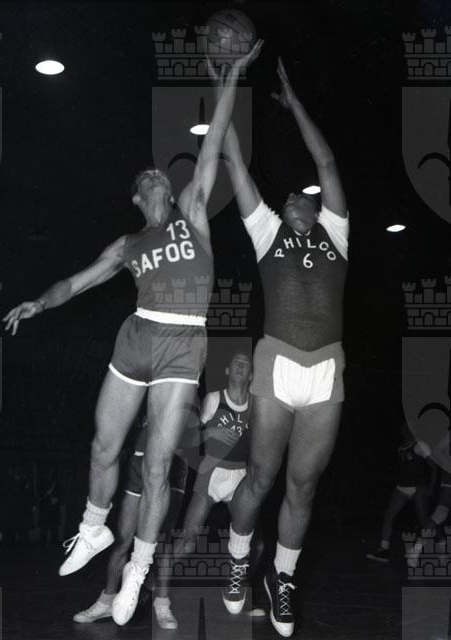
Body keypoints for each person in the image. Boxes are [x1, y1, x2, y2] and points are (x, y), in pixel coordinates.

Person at [4, 42, 263, 626]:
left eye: (158, 175)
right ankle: (93, 528)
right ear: (136, 198)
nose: (153, 177)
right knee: (104, 445)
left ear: (169, 191)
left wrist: (231, 79)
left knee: (157, 467)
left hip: (182, 343)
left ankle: (140, 572)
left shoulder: (192, 212)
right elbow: (77, 282)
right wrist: (39, 302)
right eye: (144, 178)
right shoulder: (127, 244)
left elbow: (212, 145)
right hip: (137, 336)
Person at [218, 58, 349, 637]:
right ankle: (238, 559)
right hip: (275, 361)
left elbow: (326, 162)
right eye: (289, 194)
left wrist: (294, 103)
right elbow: (233, 160)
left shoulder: (336, 233)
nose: (295, 194)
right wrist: (226, 80)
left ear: (317, 209)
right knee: (261, 477)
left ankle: (283, 578)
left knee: (304, 485)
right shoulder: (267, 231)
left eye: (303, 194)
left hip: (326, 370)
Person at [161, 351, 264, 623]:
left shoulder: (256, 405)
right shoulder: (214, 399)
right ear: (228, 371)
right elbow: (188, 438)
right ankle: (155, 592)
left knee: (256, 546)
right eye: (236, 362)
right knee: (187, 543)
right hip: (212, 474)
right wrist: (210, 432)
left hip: (240, 476)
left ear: (251, 375)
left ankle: (237, 594)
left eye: (246, 364)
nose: (240, 366)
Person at [73, 412, 188, 629]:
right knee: (122, 538)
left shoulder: (188, 396)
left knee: (162, 541)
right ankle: (106, 601)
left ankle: (162, 604)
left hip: (172, 463)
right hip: (141, 457)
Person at [366, 424, 437, 564]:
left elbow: (434, 467)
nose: (404, 430)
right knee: (388, 515)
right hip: (402, 487)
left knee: (424, 520)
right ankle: (384, 550)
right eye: (403, 428)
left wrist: (431, 488)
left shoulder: (420, 445)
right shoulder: (401, 448)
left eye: (407, 428)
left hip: (418, 487)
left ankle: (440, 541)